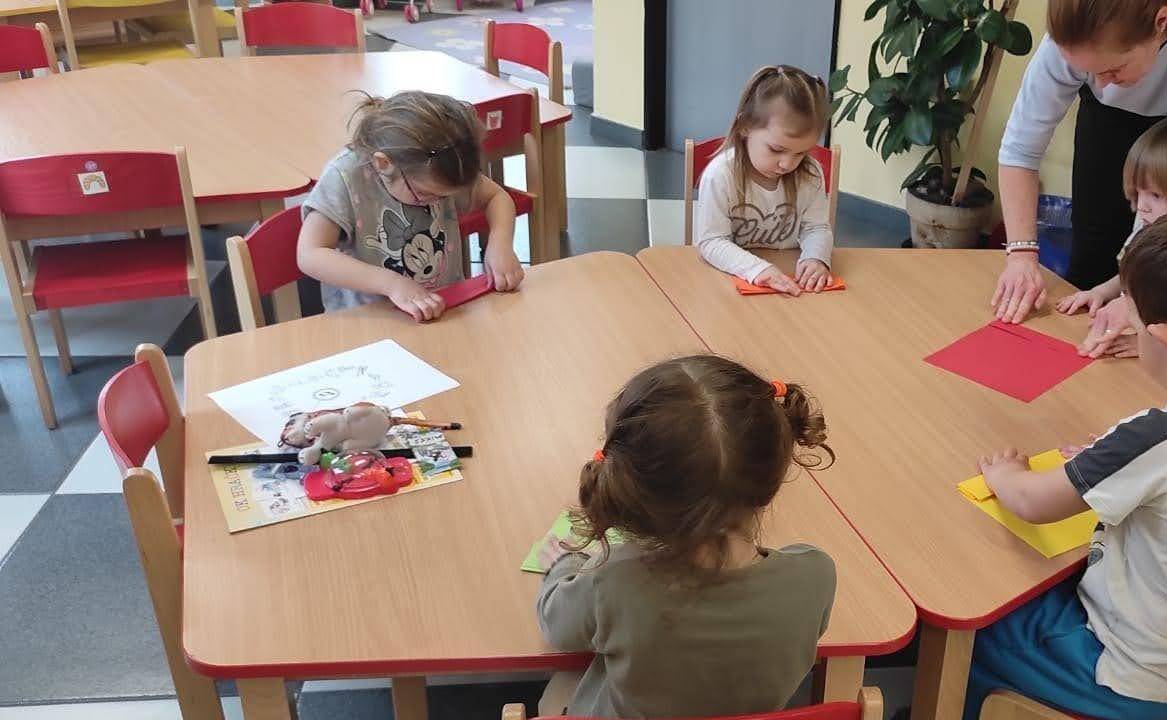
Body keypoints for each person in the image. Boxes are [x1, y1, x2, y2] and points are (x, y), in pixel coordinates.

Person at [968, 202, 1167, 720]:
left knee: (977, 630)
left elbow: (1033, 502)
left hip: (1123, 674)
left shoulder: (1161, 438)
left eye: (1137, 325)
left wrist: (1005, 474)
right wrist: (1120, 460)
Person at [535, 355, 837, 717]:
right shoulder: (816, 576)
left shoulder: (613, 582)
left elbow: (555, 624)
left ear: (638, 493)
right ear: (770, 481)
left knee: (556, 691)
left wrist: (565, 560)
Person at [990, 0, 1167, 323]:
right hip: (1107, 124)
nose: (1100, 83)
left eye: (1113, 70)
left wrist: (1142, 304)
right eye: (1089, 72)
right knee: (1091, 267)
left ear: (1161, 22)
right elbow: (1021, 149)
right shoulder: (1079, 23)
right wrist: (1021, 256)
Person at [298, 91, 525, 321]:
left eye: (446, 196)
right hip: (370, 320)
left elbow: (496, 197)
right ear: (383, 164)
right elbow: (310, 254)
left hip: (443, 308)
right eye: (425, 194)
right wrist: (391, 284)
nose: (438, 202)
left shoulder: (442, 165)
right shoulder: (346, 177)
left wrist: (500, 244)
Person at [1058, 112, 1167, 358]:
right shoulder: (1147, 231)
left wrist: (1147, 343)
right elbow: (1129, 279)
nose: (1142, 206)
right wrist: (1100, 292)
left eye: (1156, 195)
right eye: (1138, 193)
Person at [695, 65, 835, 296]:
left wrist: (816, 258)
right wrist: (759, 270)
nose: (788, 164)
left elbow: (817, 227)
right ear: (745, 127)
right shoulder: (720, 175)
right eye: (776, 149)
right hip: (730, 283)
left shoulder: (810, 173)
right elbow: (711, 241)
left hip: (788, 285)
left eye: (801, 153)